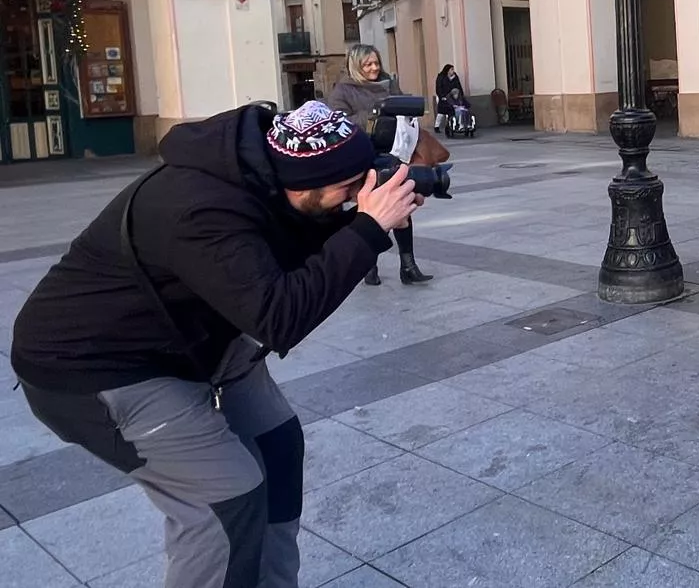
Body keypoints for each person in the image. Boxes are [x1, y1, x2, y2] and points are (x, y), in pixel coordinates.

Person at [9, 101, 424, 587]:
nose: (359, 195)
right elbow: (280, 318)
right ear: (303, 184)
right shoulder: (200, 210)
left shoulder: (268, 177)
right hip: (93, 367)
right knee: (226, 498)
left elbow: (293, 243)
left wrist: (359, 217)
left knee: (277, 447)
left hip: (190, 341)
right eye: (349, 188)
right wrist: (368, 229)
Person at [326, 45, 432, 285]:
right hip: (365, 159)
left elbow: (403, 110)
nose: (374, 68)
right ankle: (368, 266)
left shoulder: (388, 84)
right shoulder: (344, 90)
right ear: (356, 66)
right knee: (372, 213)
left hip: (395, 154)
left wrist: (405, 107)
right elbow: (338, 123)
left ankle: (408, 266)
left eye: (376, 63)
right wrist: (375, 115)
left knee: (403, 206)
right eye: (368, 64)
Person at [433, 64, 465, 133]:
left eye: (453, 69)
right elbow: (438, 87)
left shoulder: (455, 77)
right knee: (441, 112)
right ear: (447, 70)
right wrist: (441, 96)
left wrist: (461, 95)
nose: (453, 71)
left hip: (452, 96)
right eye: (451, 69)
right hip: (443, 97)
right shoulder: (441, 77)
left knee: (451, 111)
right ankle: (437, 126)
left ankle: (450, 125)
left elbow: (459, 86)